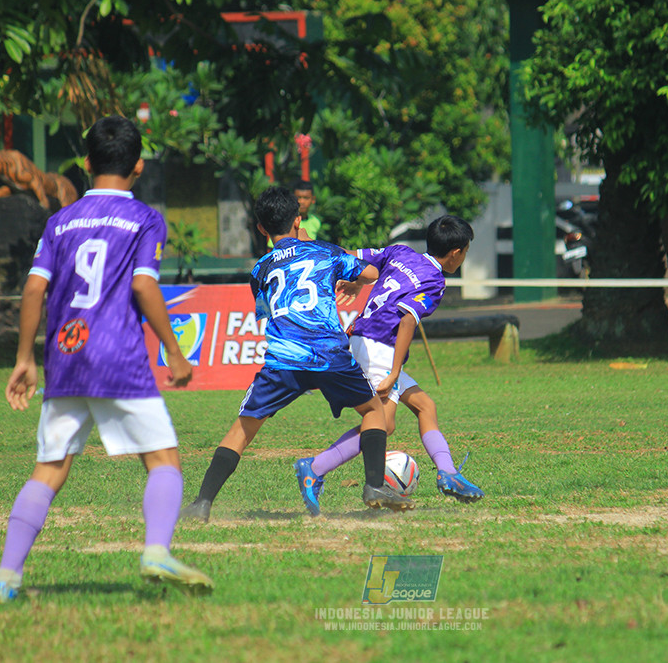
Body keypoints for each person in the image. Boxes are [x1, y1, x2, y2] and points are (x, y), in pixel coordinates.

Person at [0, 116, 213, 603]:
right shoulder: (145, 218)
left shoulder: (61, 220)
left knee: (48, 468)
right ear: (138, 165)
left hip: (65, 357)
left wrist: (25, 358)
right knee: (163, 459)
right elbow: (143, 283)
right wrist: (174, 351)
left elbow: (33, 289)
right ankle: (156, 549)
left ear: (86, 163)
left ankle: (6, 577)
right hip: (118, 357)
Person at [179, 186, 412, 523]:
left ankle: (202, 503)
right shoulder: (324, 252)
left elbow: (266, 308)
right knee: (374, 411)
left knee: (241, 430)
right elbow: (371, 273)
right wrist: (353, 279)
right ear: (298, 219)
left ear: (261, 229)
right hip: (329, 354)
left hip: (283, 360)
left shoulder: (259, 270)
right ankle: (374, 485)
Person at [293, 215, 485, 516]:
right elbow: (408, 319)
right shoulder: (435, 282)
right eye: (466, 252)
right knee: (382, 423)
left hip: (364, 339)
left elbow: (354, 258)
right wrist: (395, 372)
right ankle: (314, 468)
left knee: (425, 406)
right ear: (456, 253)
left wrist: (349, 275)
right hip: (380, 349)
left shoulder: (401, 252)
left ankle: (448, 473)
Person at [267, 179, 323, 247]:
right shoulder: (284, 221)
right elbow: (272, 248)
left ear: (313, 199)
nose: (302, 202)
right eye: (298, 197)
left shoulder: (316, 222)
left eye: (306, 198)